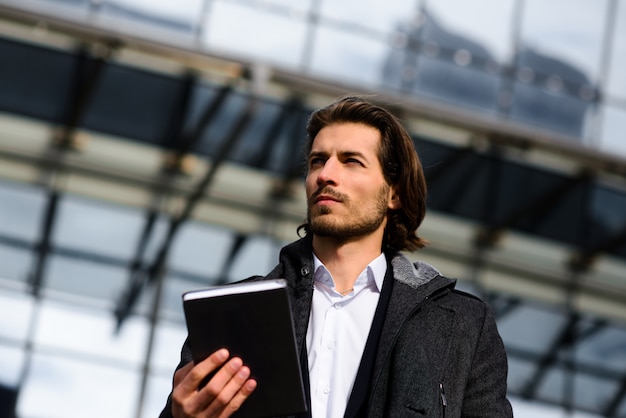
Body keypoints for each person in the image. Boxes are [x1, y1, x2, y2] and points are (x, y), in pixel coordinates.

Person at [160, 96, 513, 418]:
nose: (326, 175)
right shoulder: (235, 313)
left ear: (395, 193)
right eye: (318, 161)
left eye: (351, 162)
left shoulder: (463, 325)